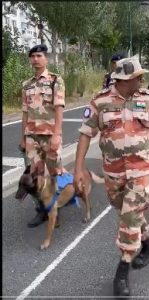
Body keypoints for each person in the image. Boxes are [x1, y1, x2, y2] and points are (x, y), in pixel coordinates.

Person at [73, 57, 149, 297]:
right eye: (138, 76)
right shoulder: (100, 102)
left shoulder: (147, 99)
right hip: (113, 172)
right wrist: (78, 169)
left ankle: (122, 269)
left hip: (140, 171)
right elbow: (86, 134)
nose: (142, 79)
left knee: (129, 219)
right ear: (125, 79)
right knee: (127, 213)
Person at [19, 44, 65, 227]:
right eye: (33, 56)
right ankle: (41, 210)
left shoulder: (55, 80)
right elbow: (24, 112)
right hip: (32, 137)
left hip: (49, 135)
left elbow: (59, 109)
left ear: (46, 59)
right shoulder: (26, 84)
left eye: (39, 56)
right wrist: (23, 137)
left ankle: (55, 210)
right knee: (34, 176)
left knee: (53, 174)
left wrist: (57, 135)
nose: (35, 59)